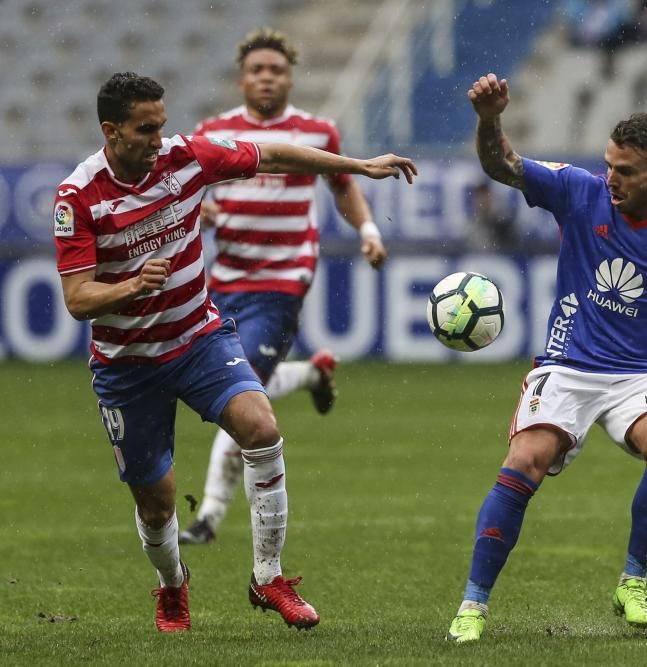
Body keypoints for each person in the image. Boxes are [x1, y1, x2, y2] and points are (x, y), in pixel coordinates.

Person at [53, 72, 415, 633]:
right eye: (145, 129)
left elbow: (271, 154)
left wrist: (355, 166)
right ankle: (173, 585)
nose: (157, 139)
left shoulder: (187, 157)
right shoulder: (78, 197)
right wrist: (130, 287)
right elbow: (78, 299)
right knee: (157, 503)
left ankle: (268, 578)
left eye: (161, 126)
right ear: (111, 131)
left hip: (199, 336)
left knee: (260, 427)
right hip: (127, 365)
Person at [445, 73, 647, 643]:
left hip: (641, 374)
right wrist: (489, 120)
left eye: (625, 171)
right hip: (566, 364)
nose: (611, 179)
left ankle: (633, 582)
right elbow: (505, 166)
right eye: (609, 165)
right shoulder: (579, 190)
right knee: (524, 462)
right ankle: (473, 605)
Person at [179, 28, 388, 546]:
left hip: (282, 282)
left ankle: (207, 517)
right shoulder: (215, 130)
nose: (267, 78)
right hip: (223, 280)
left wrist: (367, 230)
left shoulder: (317, 132)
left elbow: (344, 187)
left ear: (290, 77)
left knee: (239, 394)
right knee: (220, 389)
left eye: (276, 70)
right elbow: (185, 190)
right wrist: (198, 208)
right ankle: (312, 376)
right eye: (257, 71)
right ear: (242, 79)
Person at [467, 181, 518, 252]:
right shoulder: (472, 226)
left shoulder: (504, 221)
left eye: (486, 196)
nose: (483, 201)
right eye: (480, 197)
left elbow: (512, 245)